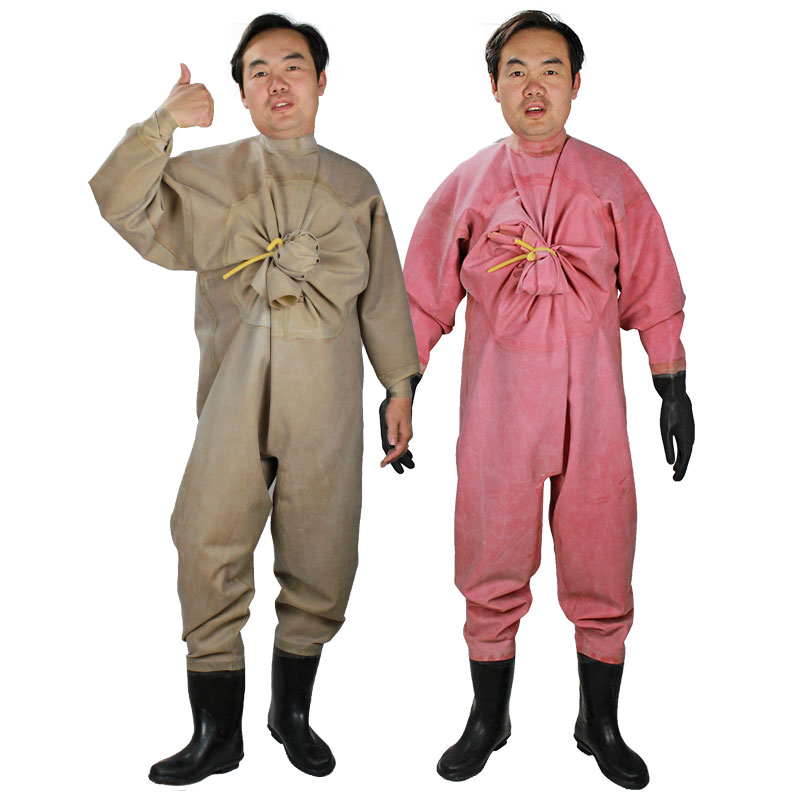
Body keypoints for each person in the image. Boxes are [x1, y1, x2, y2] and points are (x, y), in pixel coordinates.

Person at [90, 13, 418, 785]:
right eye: (258, 71)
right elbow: (119, 203)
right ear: (240, 92)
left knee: (323, 547)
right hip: (232, 397)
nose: (277, 83)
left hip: (327, 400)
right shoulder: (209, 176)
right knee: (206, 537)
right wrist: (163, 123)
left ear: (322, 81)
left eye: (292, 66)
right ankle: (216, 734)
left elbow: (383, 296)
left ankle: (291, 715)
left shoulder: (356, 186)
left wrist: (399, 386)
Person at [401, 10, 694, 790]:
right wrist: (402, 388)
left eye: (551, 70)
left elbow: (655, 286)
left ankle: (599, 723)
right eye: (517, 71)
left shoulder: (613, 180)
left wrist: (673, 385)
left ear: (577, 84)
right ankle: (487, 718)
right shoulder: (467, 184)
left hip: (594, 409)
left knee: (602, 552)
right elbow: (421, 298)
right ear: (494, 86)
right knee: (490, 551)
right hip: (499, 409)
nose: (535, 88)